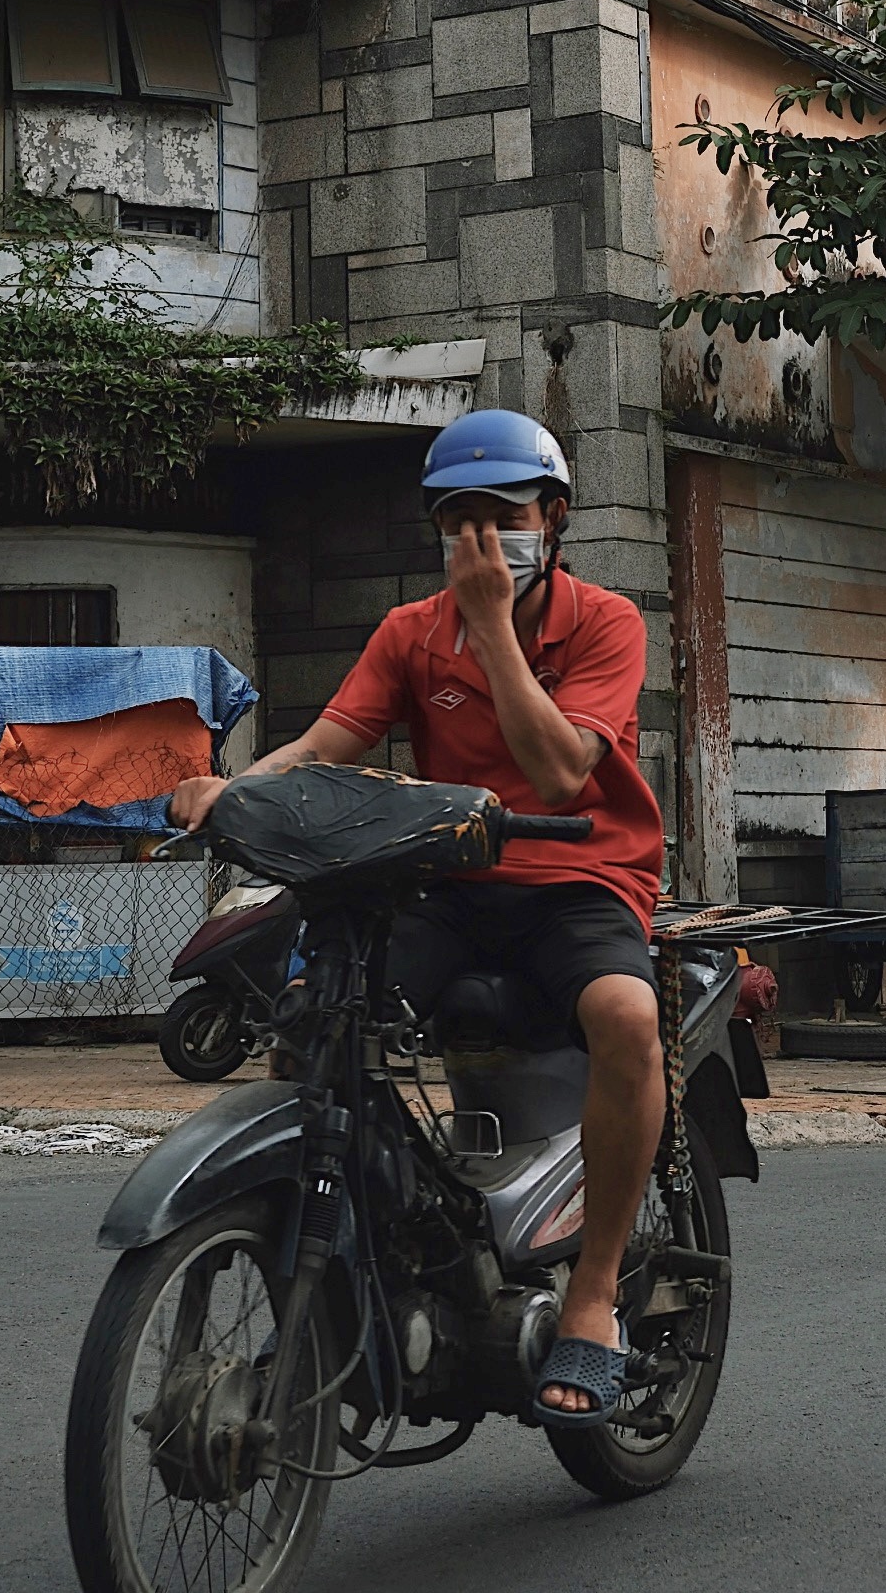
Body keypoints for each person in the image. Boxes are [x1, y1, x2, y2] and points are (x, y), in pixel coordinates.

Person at [169, 410, 664, 1426]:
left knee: (626, 1019)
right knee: (311, 1016)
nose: (479, 540)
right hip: (444, 885)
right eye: (456, 520)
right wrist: (231, 791)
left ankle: (594, 1294)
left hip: (579, 881)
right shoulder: (407, 633)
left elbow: (560, 770)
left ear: (554, 517)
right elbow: (325, 744)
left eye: (501, 515)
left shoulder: (606, 623)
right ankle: (331, 1267)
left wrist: (489, 630)